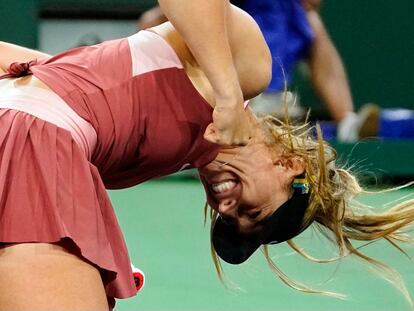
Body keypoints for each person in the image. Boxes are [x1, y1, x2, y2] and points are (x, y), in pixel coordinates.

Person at [0, 2, 413, 310]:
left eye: (229, 220)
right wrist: (229, 96)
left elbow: (43, 73)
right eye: (253, 213)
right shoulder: (247, 73)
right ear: (289, 166)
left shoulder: (175, 150)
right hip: (32, 145)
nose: (228, 209)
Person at [137, 0, 379, 142]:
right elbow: (151, 21)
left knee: (311, 21)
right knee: (161, 20)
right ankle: (158, 123)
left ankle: (346, 123)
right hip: (219, 84)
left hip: (265, 93)